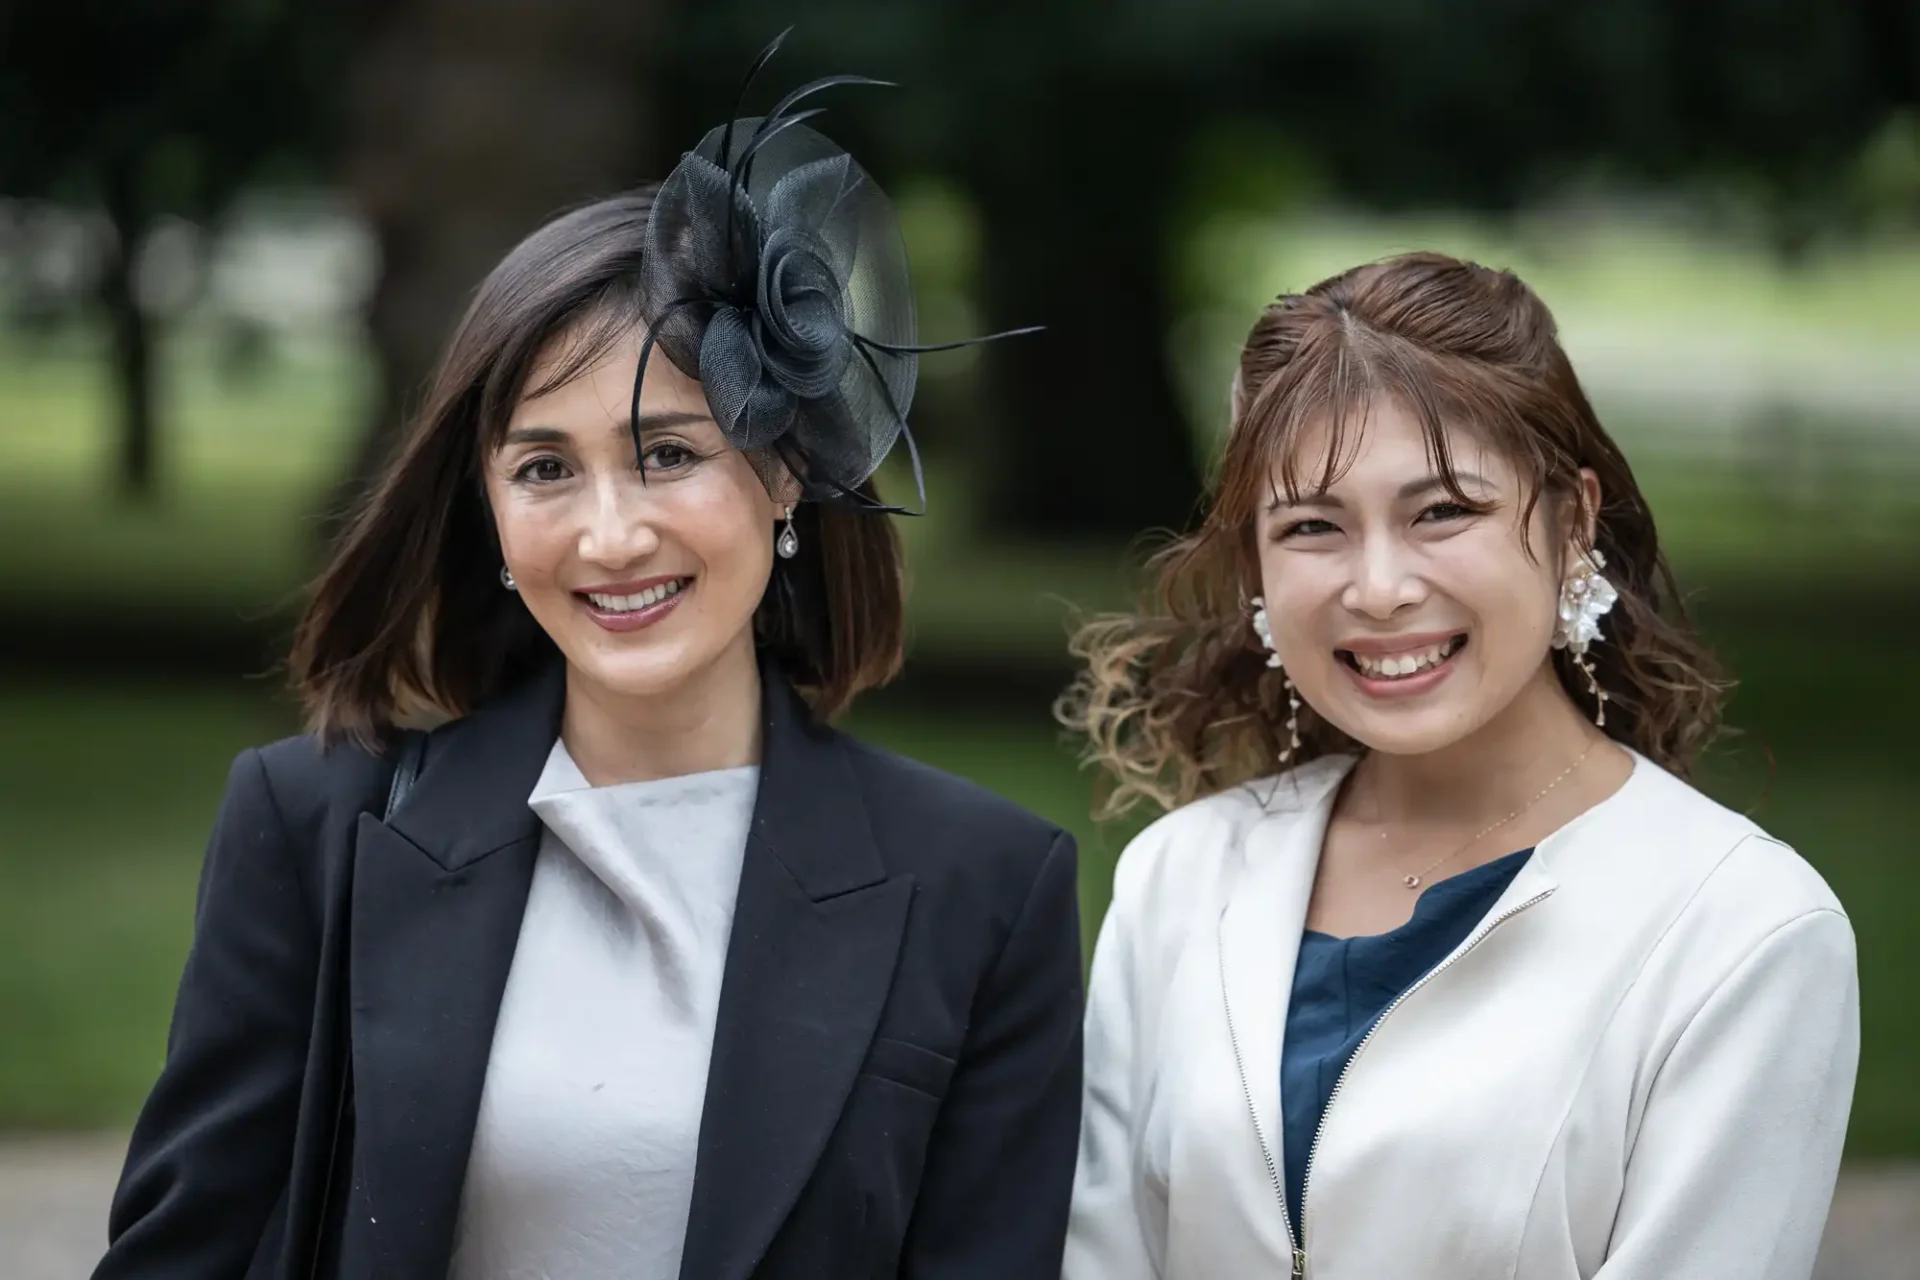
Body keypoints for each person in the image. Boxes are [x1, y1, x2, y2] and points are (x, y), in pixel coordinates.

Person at [94, 40, 1082, 1280]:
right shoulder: (311, 829)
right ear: (491, 513)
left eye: (667, 453)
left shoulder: (984, 885)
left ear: (783, 476)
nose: (610, 536)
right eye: (545, 468)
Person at [1058, 252, 1858, 1279]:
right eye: (1312, 526)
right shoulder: (1181, 876)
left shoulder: (1743, 931)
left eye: (1443, 511)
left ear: (1572, 522)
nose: (1380, 586)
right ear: (1256, 565)